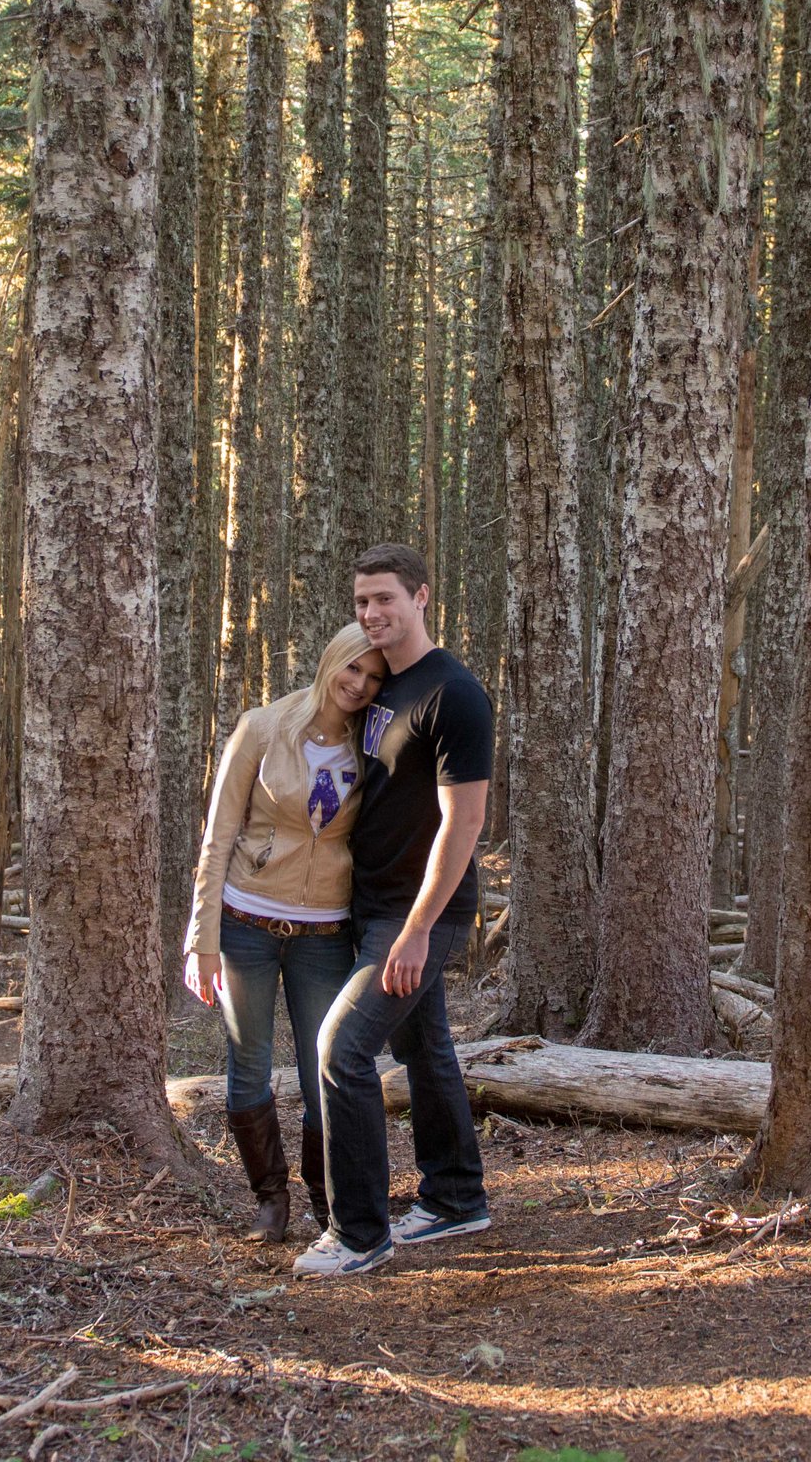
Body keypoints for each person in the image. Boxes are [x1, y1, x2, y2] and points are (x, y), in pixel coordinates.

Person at [294, 543, 493, 1277]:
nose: (372, 614)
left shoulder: (455, 694)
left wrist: (414, 933)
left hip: (418, 916)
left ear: (422, 597)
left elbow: (463, 824)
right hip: (371, 903)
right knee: (424, 1048)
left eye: (385, 598)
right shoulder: (380, 687)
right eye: (361, 603)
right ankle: (455, 1197)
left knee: (341, 1050)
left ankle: (358, 1234)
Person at [184, 624, 388, 1241]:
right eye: (352, 669)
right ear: (331, 663)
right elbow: (218, 837)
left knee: (321, 1066)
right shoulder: (262, 727)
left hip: (325, 932)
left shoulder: (372, 742)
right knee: (247, 1062)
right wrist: (203, 938)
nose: (359, 685)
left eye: (374, 677)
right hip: (245, 922)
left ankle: (327, 1202)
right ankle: (270, 1200)